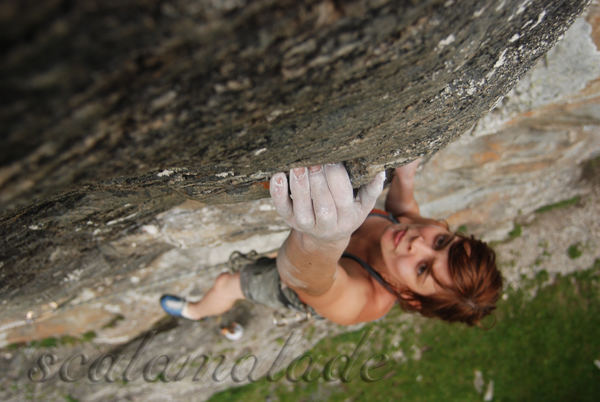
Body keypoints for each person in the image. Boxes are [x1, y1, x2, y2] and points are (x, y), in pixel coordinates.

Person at [160, 160, 502, 336]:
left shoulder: (361, 303)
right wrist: (407, 174)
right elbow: (406, 211)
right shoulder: (414, 233)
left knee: (228, 282)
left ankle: (193, 311)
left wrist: (323, 240)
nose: (417, 244)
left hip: (298, 285)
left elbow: (307, 280)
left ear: (410, 298)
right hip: (315, 260)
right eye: (441, 242)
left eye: (423, 269)